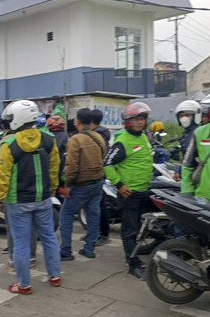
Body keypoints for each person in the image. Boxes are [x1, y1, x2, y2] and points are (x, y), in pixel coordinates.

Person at [0, 100, 62, 295]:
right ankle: (55, 276)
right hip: (44, 198)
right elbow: (55, 167)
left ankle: (24, 285)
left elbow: (2, 177)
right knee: (49, 237)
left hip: (18, 202)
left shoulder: (8, 144)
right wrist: (53, 187)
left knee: (20, 243)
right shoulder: (48, 139)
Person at [104, 102, 154, 280]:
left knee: (144, 225)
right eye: (136, 120)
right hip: (129, 193)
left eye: (142, 119)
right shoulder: (122, 141)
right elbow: (108, 164)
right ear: (128, 122)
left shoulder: (143, 137)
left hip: (143, 190)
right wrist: (119, 185)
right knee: (130, 230)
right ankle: (132, 264)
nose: (140, 122)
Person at [59, 108, 106, 260]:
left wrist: (68, 185)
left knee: (66, 214)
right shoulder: (98, 137)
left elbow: (71, 165)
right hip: (97, 182)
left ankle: (66, 251)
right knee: (93, 215)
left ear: (77, 121)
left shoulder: (75, 139)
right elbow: (103, 156)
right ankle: (89, 249)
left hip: (81, 185)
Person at [89, 109, 111, 246]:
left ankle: (103, 234)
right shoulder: (104, 133)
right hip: (100, 171)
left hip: (98, 172)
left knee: (99, 204)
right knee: (94, 204)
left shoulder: (96, 135)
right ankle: (95, 233)